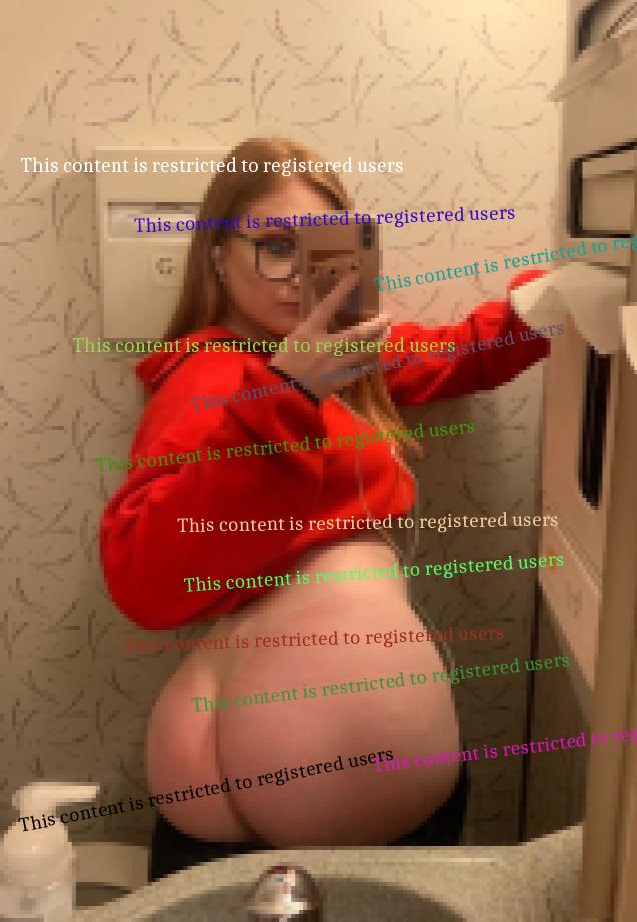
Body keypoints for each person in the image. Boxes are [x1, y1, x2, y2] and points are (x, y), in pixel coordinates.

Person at [99, 137, 549, 879]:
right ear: (217, 254)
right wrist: (285, 395)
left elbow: (460, 354)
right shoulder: (211, 372)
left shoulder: (342, 361)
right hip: (298, 743)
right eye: (275, 246)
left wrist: (552, 299)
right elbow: (140, 576)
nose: (297, 275)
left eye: (321, 250)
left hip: (260, 742)